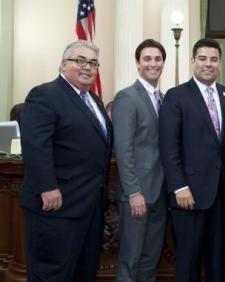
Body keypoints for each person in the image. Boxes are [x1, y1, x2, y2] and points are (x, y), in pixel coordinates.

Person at [20, 40, 112, 281]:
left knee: (84, 272)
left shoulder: (95, 100)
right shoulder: (45, 95)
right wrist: (48, 187)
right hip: (56, 206)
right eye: (79, 60)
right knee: (53, 274)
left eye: (93, 63)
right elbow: (36, 146)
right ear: (63, 65)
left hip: (90, 206)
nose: (87, 67)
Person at [158, 38, 225, 282]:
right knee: (188, 260)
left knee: (218, 260)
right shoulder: (176, 96)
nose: (208, 64)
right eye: (202, 59)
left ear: (220, 63)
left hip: (222, 195)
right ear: (192, 61)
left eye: (213, 59)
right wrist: (179, 186)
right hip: (189, 194)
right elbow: (168, 146)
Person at [113, 39, 168, 281]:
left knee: (149, 261)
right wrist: (134, 192)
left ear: (163, 63)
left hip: (160, 192)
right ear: (138, 63)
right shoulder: (126, 97)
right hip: (137, 195)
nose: (153, 64)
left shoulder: (164, 98)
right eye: (147, 59)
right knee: (130, 261)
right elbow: (123, 149)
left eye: (157, 59)